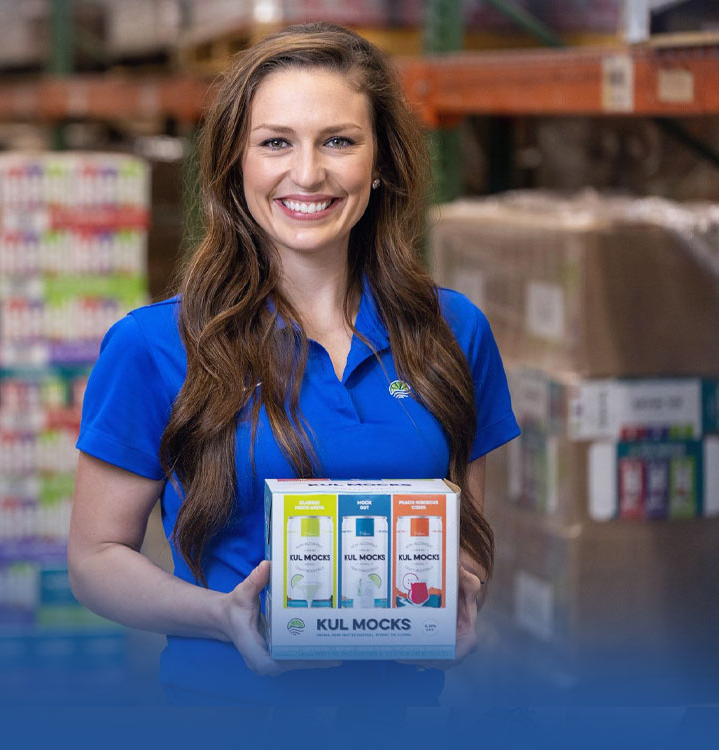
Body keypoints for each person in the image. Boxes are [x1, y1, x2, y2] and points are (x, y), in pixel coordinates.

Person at [66, 23, 520, 706]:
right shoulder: (156, 345)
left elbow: (467, 536)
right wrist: (220, 616)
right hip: (224, 713)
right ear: (234, 165)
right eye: (276, 142)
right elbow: (94, 558)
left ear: (381, 162)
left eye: (338, 141)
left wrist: (464, 591)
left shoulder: (453, 332)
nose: (307, 174)